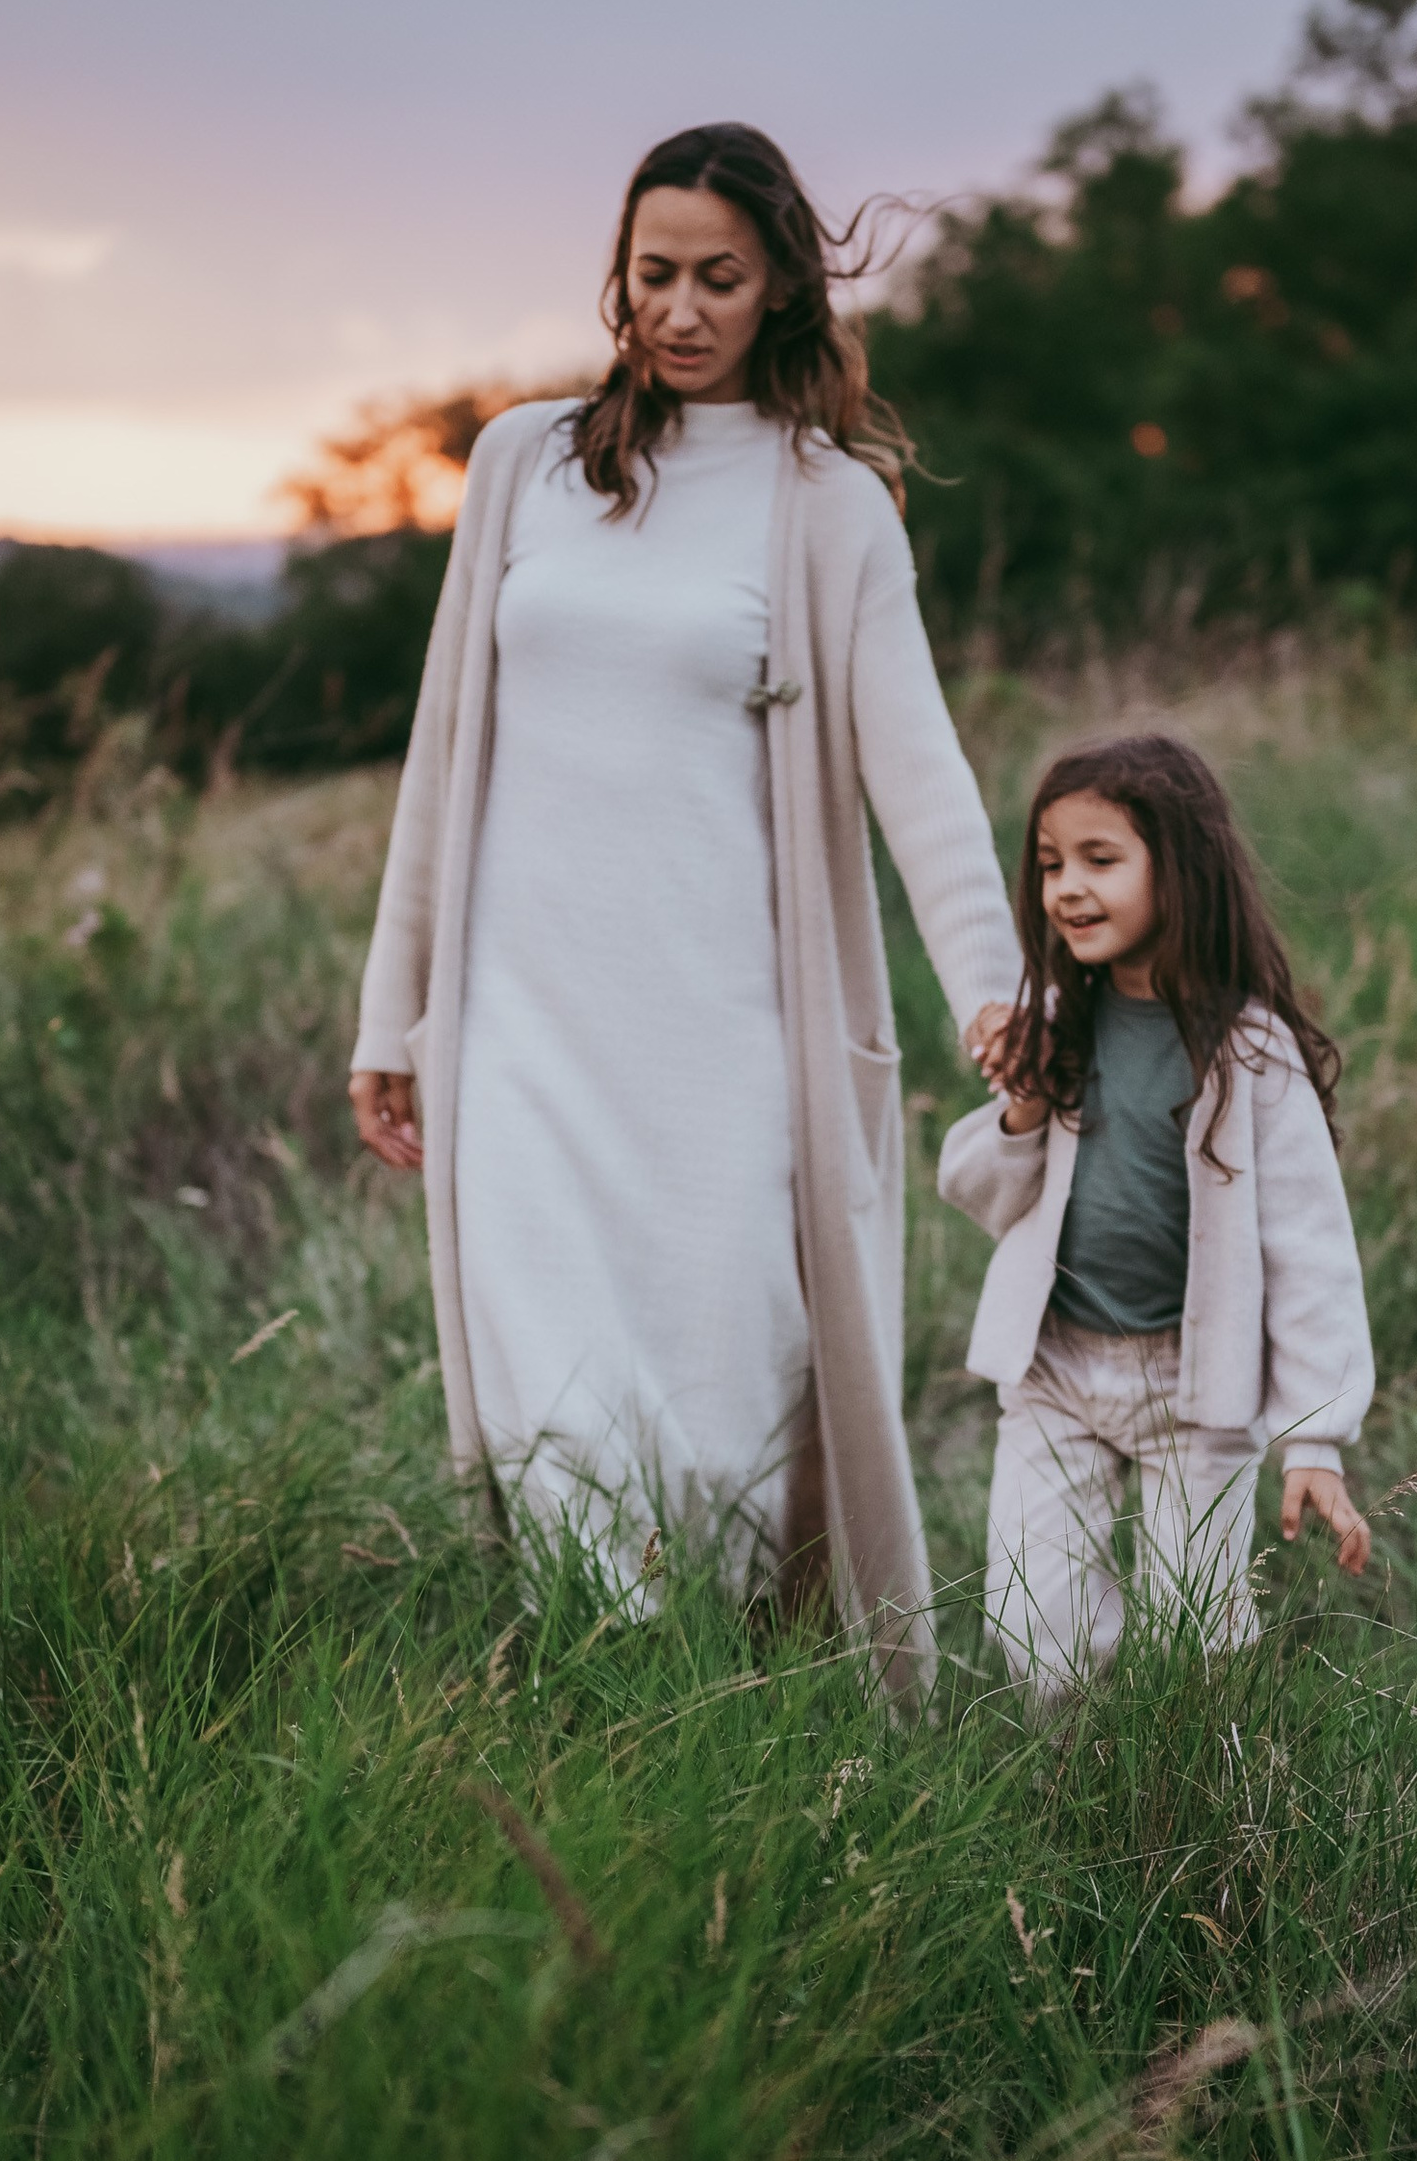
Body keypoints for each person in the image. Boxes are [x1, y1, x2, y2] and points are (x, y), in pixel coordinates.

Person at [347, 123, 1018, 1703]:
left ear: (782, 282)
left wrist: (996, 997)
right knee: (552, 1407)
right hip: (521, 1028)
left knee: (724, 1416)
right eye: (654, 274)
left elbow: (919, 782)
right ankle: (614, 1695)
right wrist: (398, 1014)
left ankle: (722, 1714)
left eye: (719, 277)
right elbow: (444, 762)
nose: (680, 308)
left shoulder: (828, 507)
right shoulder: (524, 461)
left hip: (724, 1048)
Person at [937, 730, 1373, 1700]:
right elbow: (979, 1190)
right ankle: (1078, 1781)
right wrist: (1020, 1103)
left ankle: (1195, 1796)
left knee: (1198, 1634)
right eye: (1050, 863)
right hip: (1058, 1368)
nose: (1066, 887)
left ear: (1179, 869)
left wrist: (1313, 1435)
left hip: (1196, 1385)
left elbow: (1309, 1250)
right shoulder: (1061, 1022)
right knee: (1030, 1614)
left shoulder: (1247, 1049)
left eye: (1100, 858)